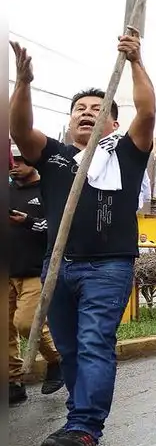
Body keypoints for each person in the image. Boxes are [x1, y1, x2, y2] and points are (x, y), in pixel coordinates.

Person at [9, 33, 156, 446]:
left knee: (94, 342)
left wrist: (135, 61)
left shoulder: (126, 154)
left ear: (113, 123)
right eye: (80, 110)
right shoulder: (53, 156)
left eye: (98, 110)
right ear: (71, 121)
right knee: (71, 348)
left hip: (108, 268)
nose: (87, 115)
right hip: (58, 268)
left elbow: (146, 110)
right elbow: (18, 128)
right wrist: (24, 83)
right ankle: (80, 420)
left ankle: (85, 427)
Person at [9, 145, 64, 404]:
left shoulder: (48, 189)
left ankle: (56, 358)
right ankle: (13, 381)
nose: (14, 165)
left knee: (26, 323)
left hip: (34, 270)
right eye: (11, 160)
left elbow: (57, 229)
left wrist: (28, 221)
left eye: (20, 159)